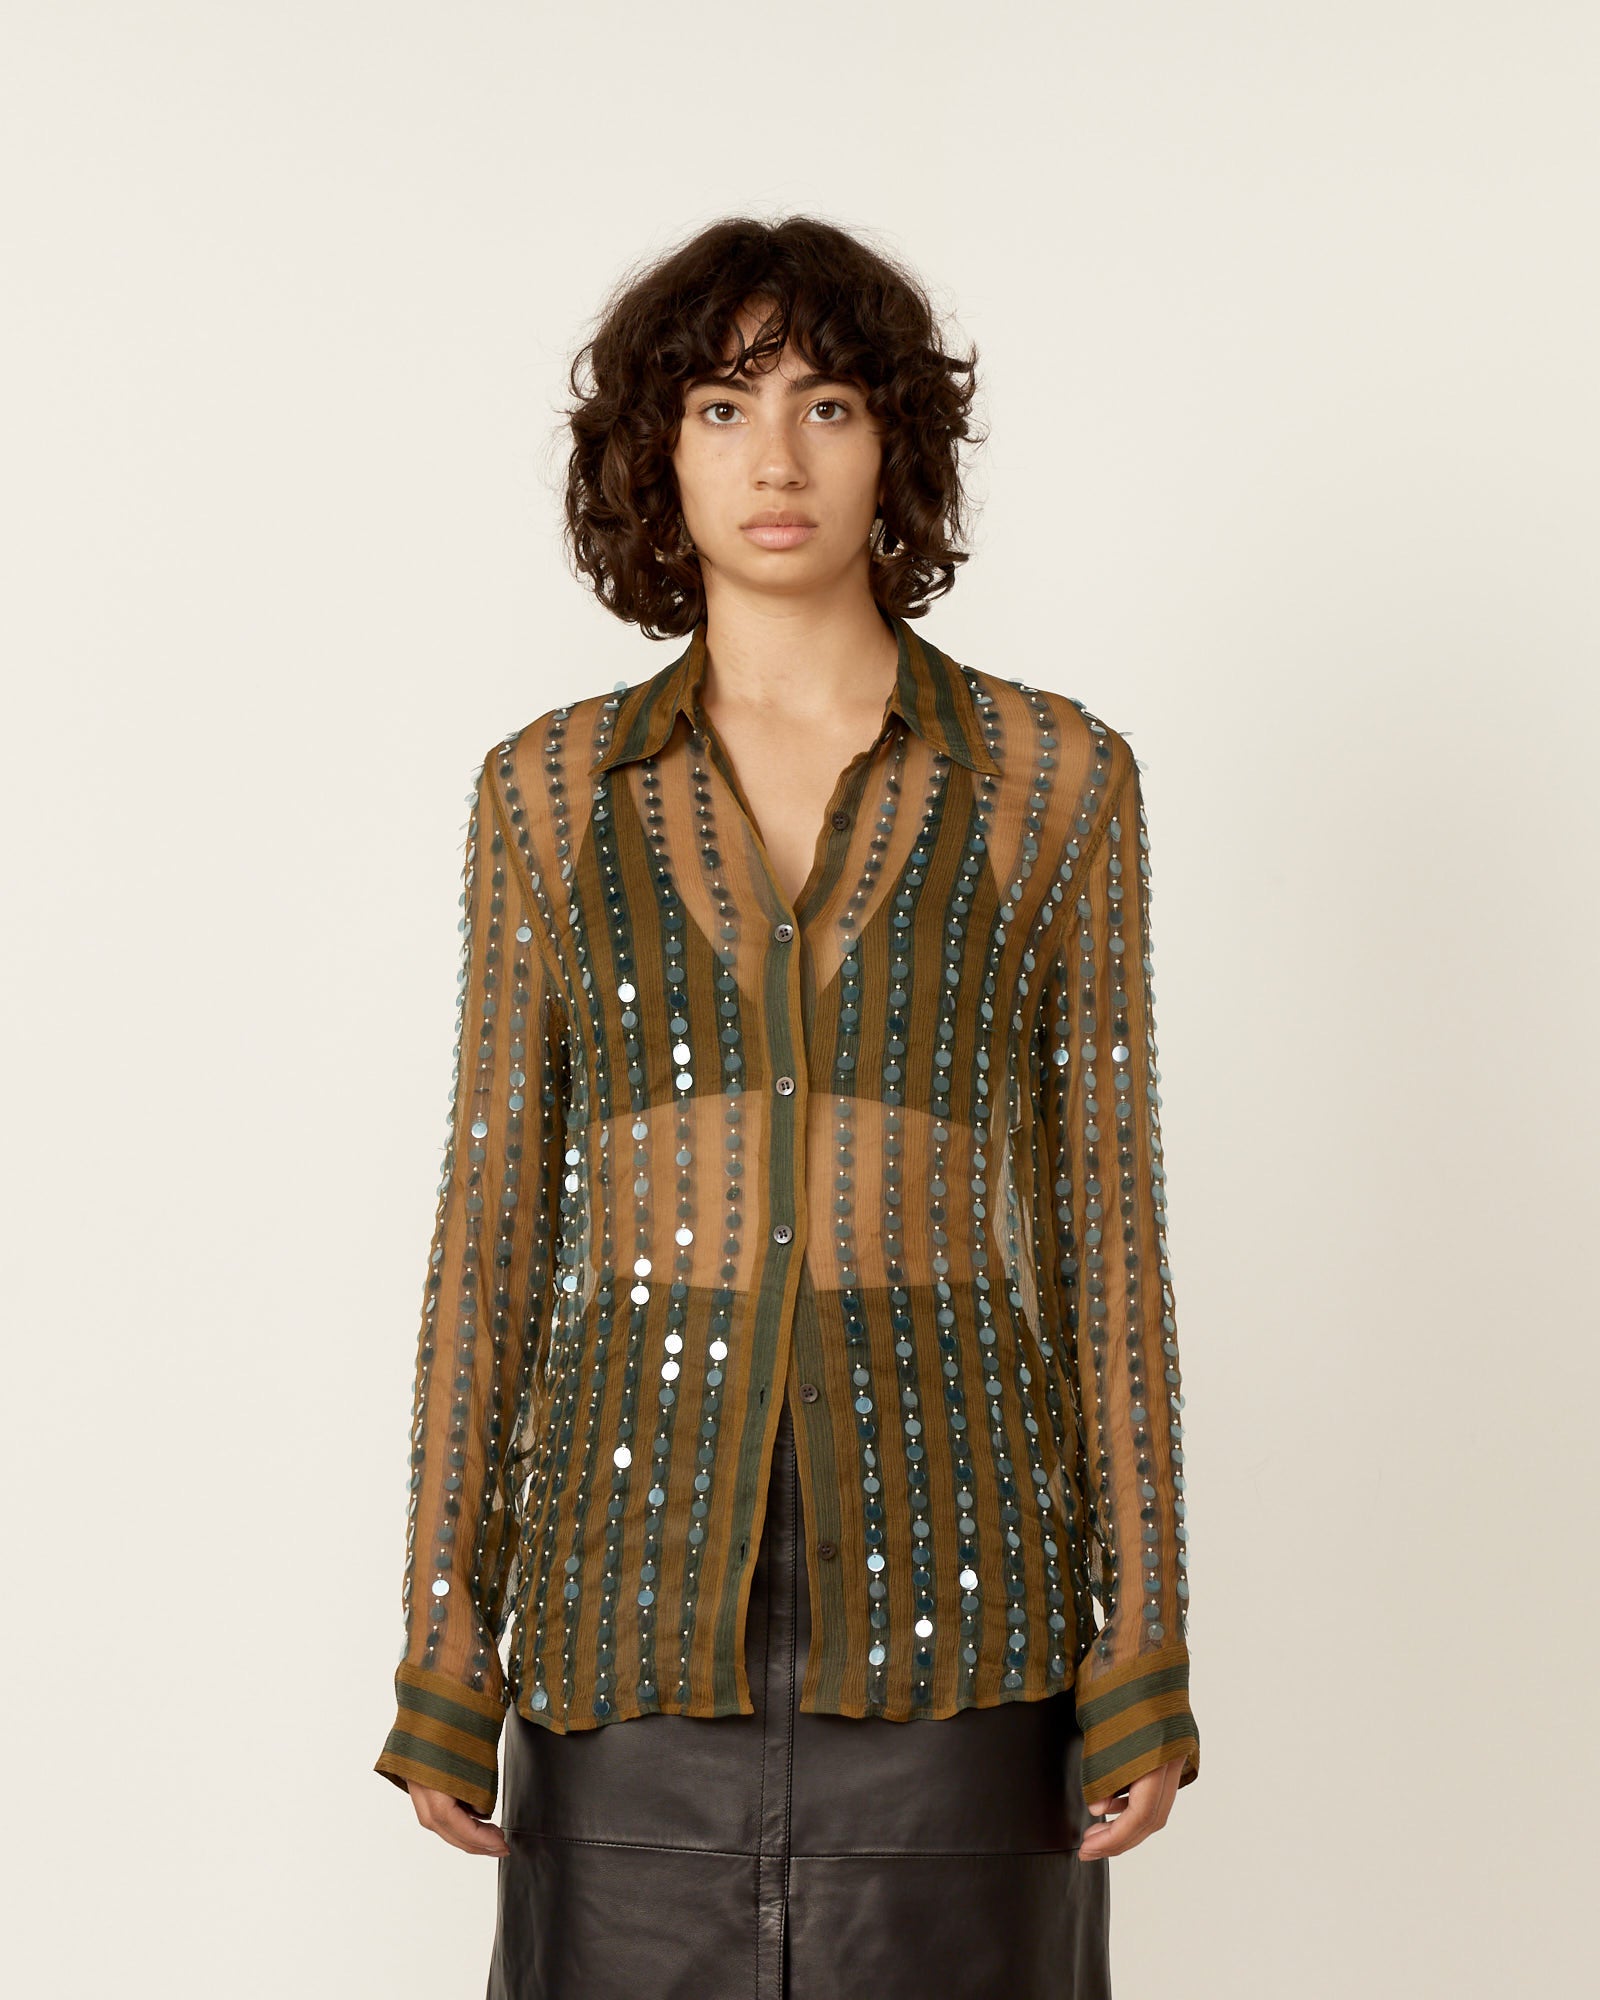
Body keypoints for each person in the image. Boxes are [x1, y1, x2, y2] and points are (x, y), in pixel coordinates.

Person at [373, 213, 1199, 1998]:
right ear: (656, 454)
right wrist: (447, 1632)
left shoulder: (1057, 780)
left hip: (968, 1628)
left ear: (894, 443)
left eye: (827, 404)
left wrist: (1143, 1641)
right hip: (621, 1626)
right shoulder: (548, 793)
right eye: (723, 406)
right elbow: (494, 1225)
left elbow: (1106, 1228)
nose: (776, 459)